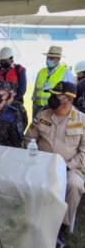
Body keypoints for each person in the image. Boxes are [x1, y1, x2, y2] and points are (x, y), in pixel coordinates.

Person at [25, 81, 85, 248]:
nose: (51, 99)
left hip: (69, 167)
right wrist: (34, 153)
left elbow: (84, 152)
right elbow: (29, 138)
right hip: (41, 164)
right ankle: (30, 219)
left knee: (74, 185)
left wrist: (66, 166)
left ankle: (60, 228)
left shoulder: (81, 120)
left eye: (55, 96)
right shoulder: (42, 115)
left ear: (68, 99)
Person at [32, 46, 74, 118]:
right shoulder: (41, 72)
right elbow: (36, 90)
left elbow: (68, 95)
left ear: (58, 59)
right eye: (48, 57)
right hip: (38, 107)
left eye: (51, 58)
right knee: (36, 128)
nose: (48, 60)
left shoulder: (66, 73)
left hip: (54, 109)